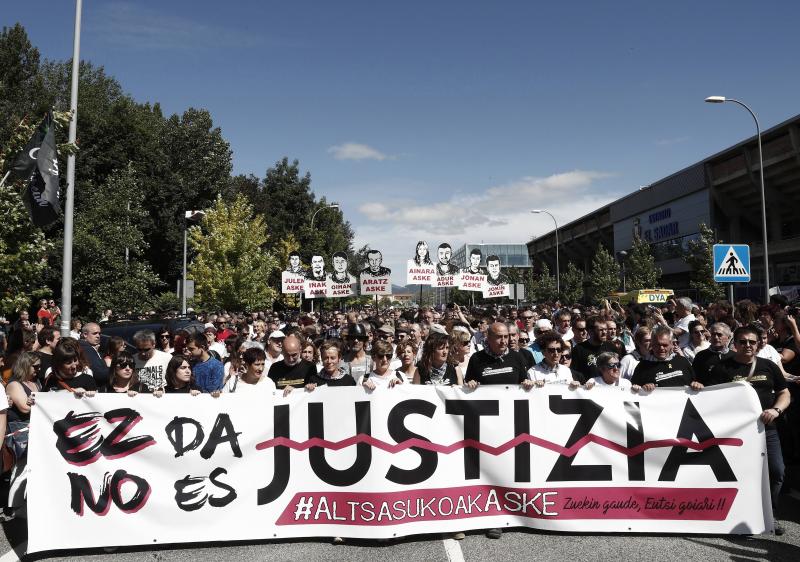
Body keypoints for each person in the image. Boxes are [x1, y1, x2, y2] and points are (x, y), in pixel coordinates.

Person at [698, 325, 790, 535]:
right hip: (736, 433)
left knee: (776, 471)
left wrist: (776, 410)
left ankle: (770, 515)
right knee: (740, 475)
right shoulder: (722, 368)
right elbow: (710, 398)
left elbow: (784, 393)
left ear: (758, 344)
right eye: (743, 342)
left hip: (767, 429)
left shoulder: (768, 366)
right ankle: (740, 515)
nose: (747, 345)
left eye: (752, 342)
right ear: (735, 344)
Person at [465, 322, 533, 539]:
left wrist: (528, 385)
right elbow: (466, 386)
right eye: (499, 337)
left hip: (514, 425)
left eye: (506, 337)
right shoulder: (477, 360)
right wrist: (471, 385)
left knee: (513, 472)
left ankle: (516, 512)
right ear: (488, 338)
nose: (504, 341)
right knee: (490, 472)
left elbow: (524, 382)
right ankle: (493, 518)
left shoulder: (517, 357)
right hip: (487, 427)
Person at [5, 351, 37, 517]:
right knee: (22, 467)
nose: (38, 370)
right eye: (35, 366)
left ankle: (22, 504)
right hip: (20, 430)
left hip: (33, 428)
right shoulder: (14, 384)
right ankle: (14, 507)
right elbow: (25, 407)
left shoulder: (34, 382)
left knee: (30, 468)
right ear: (25, 365)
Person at [631, 326, 694, 391]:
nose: (661, 348)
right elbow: (634, 391)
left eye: (665, 345)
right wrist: (643, 388)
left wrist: (697, 385)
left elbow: (694, 382)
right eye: (657, 345)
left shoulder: (682, 361)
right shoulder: (642, 367)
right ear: (652, 344)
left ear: (672, 344)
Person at [79, 322, 109, 388]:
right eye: (94, 333)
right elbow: (100, 374)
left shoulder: (89, 347)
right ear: (85, 334)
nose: (98, 336)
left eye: (99, 333)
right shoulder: (86, 349)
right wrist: (113, 369)